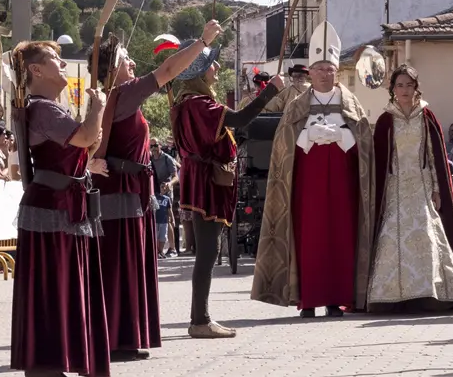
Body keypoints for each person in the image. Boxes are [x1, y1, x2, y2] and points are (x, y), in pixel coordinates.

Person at [86, 20, 225, 358]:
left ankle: (120, 337)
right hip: (120, 190)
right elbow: (168, 69)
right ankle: (117, 340)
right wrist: (202, 43)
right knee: (120, 265)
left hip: (125, 189)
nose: (132, 62)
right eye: (125, 58)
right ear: (112, 68)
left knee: (122, 264)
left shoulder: (112, 95)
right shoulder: (122, 93)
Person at [252, 21, 376, 318]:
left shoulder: (351, 102)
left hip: (343, 181)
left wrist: (342, 137)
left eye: (330, 69)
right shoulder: (297, 105)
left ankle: (336, 299)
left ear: (337, 72)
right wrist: (306, 137)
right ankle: (307, 299)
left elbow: (365, 142)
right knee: (309, 236)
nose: (325, 74)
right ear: (310, 72)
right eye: (319, 69)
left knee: (341, 236)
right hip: (307, 182)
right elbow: (283, 144)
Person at [9, 39, 110, 377]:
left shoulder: (51, 107)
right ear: (36, 70)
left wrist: (93, 117)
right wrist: (98, 108)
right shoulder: (42, 108)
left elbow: (88, 144)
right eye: (55, 58)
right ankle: (49, 363)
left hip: (65, 206)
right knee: (52, 290)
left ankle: (60, 359)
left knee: (64, 289)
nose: (63, 64)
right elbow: (84, 139)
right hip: (52, 208)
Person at [171, 36, 282, 338]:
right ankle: (199, 320)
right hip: (207, 182)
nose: (217, 67)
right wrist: (271, 90)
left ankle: (201, 318)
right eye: (210, 64)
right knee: (208, 252)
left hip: (203, 178)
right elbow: (241, 117)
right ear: (198, 73)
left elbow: (223, 135)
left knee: (209, 251)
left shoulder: (189, 102)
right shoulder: (199, 103)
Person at [368, 64, 453, 312]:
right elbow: (379, 160)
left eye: (409, 85)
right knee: (391, 237)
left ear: (416, 88)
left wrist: (437, 189)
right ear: (392, 89)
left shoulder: (426, 117)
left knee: (426, 236)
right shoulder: (386, 120)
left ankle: (431, 294)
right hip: (395, 187)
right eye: (399, 85)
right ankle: (390, 296)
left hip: (421, 186)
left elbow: (433, 156)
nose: (404, 90)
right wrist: (381, 192)